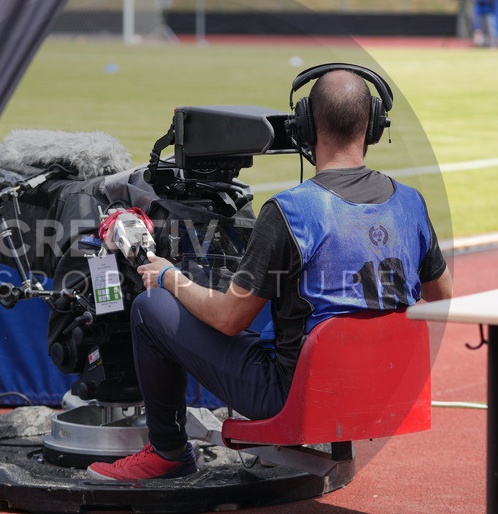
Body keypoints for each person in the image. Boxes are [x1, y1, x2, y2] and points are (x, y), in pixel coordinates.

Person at [87, 69, 453, 481]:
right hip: (384, 391)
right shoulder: (412, 204)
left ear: (306, 126)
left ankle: (168, 453)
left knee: (149, 305)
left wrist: (170, 275)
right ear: (374, 125)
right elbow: (440, 296)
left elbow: (229, 319)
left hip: (295, 397)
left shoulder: (290, 212)